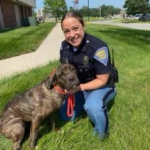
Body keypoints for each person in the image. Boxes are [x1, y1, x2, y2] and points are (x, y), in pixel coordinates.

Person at [59, 11, 117, 138]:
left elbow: (102, 80)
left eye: (75, 28)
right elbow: (63, 68)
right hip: (81, 86)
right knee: (65, 115)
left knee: (93, 107)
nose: (72, 35)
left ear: (83, 26)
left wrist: (80, 88)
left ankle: (101, 135)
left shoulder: (98, 47)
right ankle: (86, 106)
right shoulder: (64, 46)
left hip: (102, 86)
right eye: (66, 31)